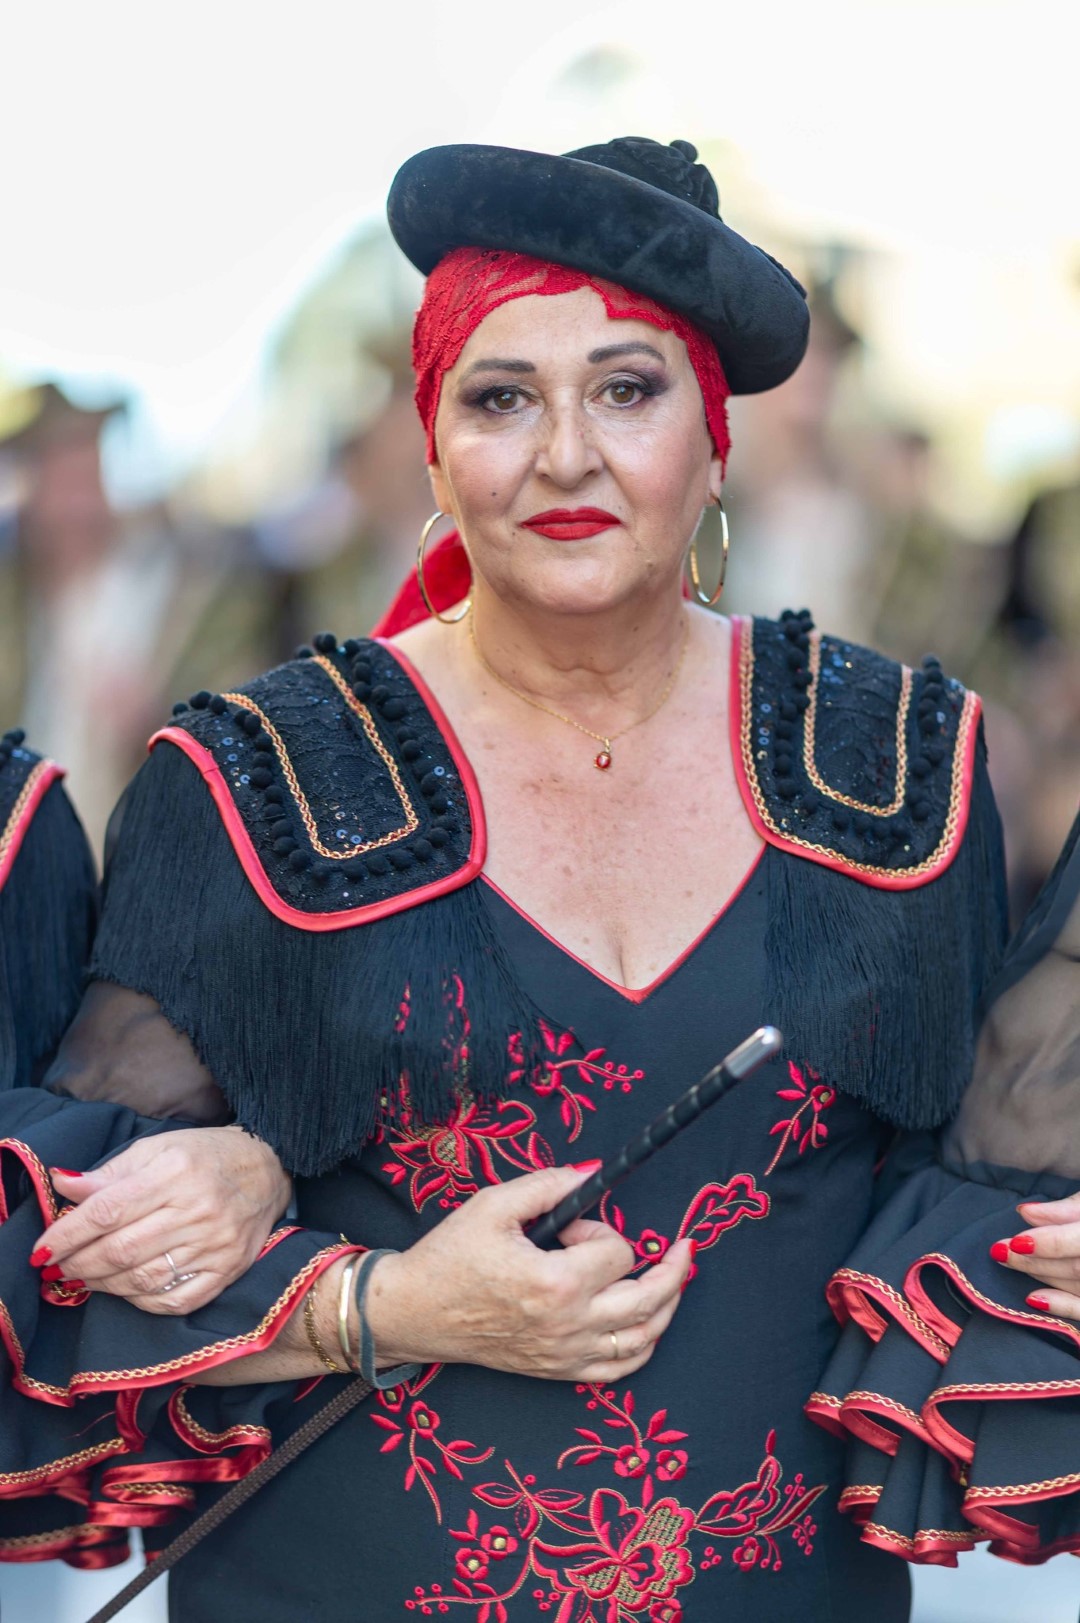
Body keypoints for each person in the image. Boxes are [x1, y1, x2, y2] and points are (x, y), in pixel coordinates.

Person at [0, 136, 1075, 1620]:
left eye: (627, 391)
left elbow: (966, 1195)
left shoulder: (899, 766)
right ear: (435, 451)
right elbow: (79, 1264)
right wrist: (374, 1297)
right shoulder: (254, 780)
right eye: (501, 398)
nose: (566, 454)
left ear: (716, 442)